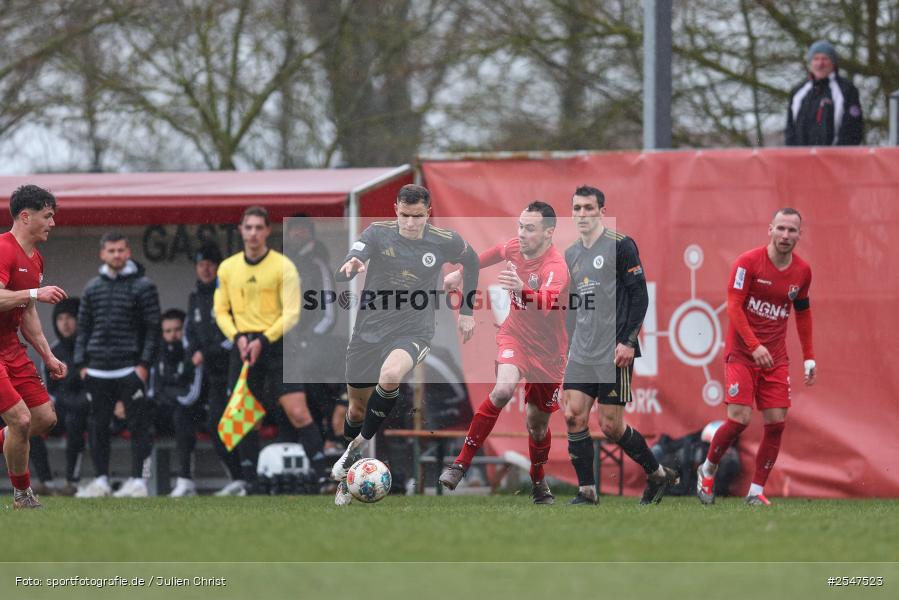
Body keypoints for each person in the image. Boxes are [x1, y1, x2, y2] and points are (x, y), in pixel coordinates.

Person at [329, 184, 480, 506]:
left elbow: (474, 262)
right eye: (404, 216)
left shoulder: (444, 240)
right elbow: (354, 255)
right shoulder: (378, 233)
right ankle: (347, 474)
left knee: (391, 375)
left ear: (428, 212)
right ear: (396, 208)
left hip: (414, 330)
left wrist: (467, 312)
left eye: (417, 217)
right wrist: (351, 265)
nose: (410, 223)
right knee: (355, 407)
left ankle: (357, 446)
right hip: (369, 331)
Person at [437, 202, 569, 504]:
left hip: (549, 355)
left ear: (549, 233)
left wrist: (522, 288)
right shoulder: (515, 248)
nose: (521, 234)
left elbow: (547, 305)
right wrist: (459, 273)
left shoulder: (555, 267)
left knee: (537, 426)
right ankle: (460, 464)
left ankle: (538, 481)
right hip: (516, 337)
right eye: (520, 226)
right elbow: (492, 253)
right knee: (502, 390)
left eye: (530, 228)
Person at [562, 186, 678, 505]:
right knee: (573, 416)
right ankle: (587, 491)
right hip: (582, 351)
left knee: (611, 426)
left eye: (589, 208)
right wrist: (567, 348)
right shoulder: (571, 253)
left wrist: (628, 341)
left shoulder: (621, 245)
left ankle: (655, 474)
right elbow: (573, 306)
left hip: (614, 351)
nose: (582, 214)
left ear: (602, 211)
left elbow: (640, 296)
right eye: (577, 208)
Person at [697, 208, 815, 506]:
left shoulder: (802, 272)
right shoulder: (747, 263)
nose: (786, 235)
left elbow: (802, 313)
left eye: (792, 230)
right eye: (781, 229)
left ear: (800, 234)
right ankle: (707, 469)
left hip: (775, 358)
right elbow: (734, 307)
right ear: (770, 229)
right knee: (739, 420)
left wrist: (809, 357)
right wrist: (754, 346)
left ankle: (755, 492)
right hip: (742, 354)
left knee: (776, 424)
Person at [214, 206, 314, 493]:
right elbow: (220, 311)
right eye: (249, 227)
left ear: (268, 230)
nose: (254, 233)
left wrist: (263, 339)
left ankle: (323, 478)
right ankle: (250, 482)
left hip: (277, 344)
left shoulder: (284, 266)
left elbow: (292, 313)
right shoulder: (228, 268)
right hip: (243, 345)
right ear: (241, 230)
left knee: (298, 411)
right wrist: (238, 337)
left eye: (259, 227)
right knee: (245, 415)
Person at [74, 232, 161, 498]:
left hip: (130, 369)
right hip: (97, 369)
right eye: (111, 251)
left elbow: (153, 329)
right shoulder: (92, 288)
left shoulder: (144, 286)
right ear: (102, 254)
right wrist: (81, 364)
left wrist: (144, 365)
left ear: (129, 252)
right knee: (98, 427)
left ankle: (140, 481)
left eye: (121, 250)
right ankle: (101, 480)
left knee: (140, 428)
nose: (116, 255)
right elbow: (83, 329)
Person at [0, 184, 68, 509]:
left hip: (10, 347)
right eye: (48, 215)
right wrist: (32, 295)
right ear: (25, 216)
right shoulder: (3, 248)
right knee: (20, 421)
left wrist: (48, 355)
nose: (52, 223)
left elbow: (27, 313)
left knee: (43, 419)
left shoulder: (36, 258)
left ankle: (9, 446)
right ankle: (22, 496)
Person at [187, 242, 244, 495]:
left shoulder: (230, 295)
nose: (206, 269)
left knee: (236, 424)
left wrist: (206, 352)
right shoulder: (195, 297)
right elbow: (190, 333)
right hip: (209, 376)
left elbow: (235, 335)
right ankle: (237, 477)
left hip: (233, 370)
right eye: (201, 265)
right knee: (214, 424)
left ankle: (247, 478)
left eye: (211, 264)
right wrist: (193, 353)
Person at [149, 309, 204, 497]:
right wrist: (171, 393)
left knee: (182, 415)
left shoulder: (194, 353)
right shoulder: (158, 354)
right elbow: (153, 391)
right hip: (165, 410)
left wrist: (169, 393)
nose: (173, 335)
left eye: (177, 329)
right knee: (141, 417)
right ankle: (142, 478)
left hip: (191, 412)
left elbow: (192, 395)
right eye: (168, 331)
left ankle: (185, 480)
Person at [45, 297, 89, 496]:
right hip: (61, 410)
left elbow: (93, 388)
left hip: (86, 412)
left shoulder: (90, 349)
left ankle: (72, 481)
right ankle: (46, 482)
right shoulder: (52, 352)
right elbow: (51, 392)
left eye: (70, 317)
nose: (65, 323)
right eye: (60, 318)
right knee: (29, 424)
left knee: (75, 419)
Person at [786, 40, 863, 146]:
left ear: (833, 62)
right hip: (801, 159)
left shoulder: (847, 90)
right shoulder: (797, 92)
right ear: (810, 62)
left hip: (835, 159)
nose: (820, 64)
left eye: (825, 59)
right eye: (816, 59)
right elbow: (790, 130)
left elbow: (853, 130)